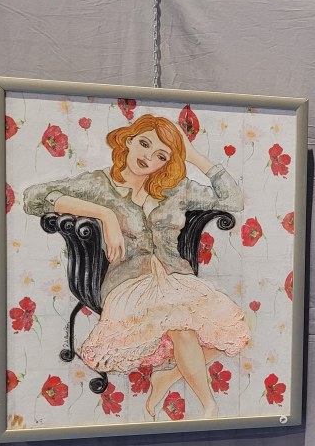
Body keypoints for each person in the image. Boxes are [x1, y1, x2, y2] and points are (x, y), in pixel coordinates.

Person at [24, 114, 250, 419]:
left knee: (231, 331)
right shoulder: (99, 184)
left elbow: (233, 199)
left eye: (161, 156)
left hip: (177, 278)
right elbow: (34, 197)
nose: (148, 157)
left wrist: (193, 155)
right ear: (128, 140)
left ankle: (167, 377)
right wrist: (104, 214)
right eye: (144, 144)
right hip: (128, 284)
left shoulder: (176, 189)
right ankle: (209, 407)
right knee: (183, 329)